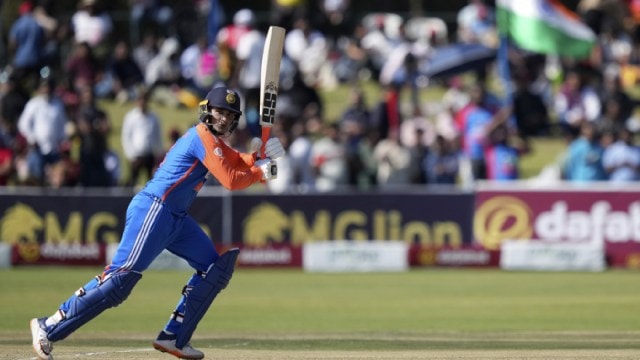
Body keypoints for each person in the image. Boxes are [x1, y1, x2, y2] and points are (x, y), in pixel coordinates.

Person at [30, 86, 285, 360]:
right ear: (206, 110)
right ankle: (49, 325)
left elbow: (239, 162)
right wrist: (260, 172)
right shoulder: (201, 136)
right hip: (154, 208)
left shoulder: (215, 143)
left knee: (215, 269)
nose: (223, 118)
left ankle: (174, 336)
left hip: (176, 218)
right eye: (219, 111)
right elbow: (232, 179)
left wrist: (259, 158)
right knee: (119, 282)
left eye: (229, 114)